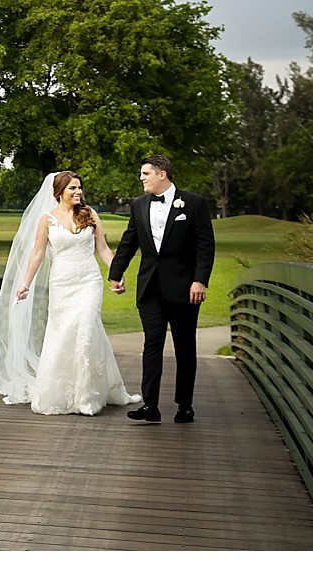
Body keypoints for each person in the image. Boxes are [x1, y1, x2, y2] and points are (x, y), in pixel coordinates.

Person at [0, 171, 138, 415]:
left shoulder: (90, 214)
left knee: (87, 329)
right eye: (72, 188)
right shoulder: (47, 220)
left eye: (79, 187)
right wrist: (25, 284)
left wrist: (117, 274)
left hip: (89, 281)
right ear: (59, 192)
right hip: (62, 283)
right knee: (63, 335)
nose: (78, 192)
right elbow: (37, 254)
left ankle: (87, 397)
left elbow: (103, 249)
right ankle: (62, 392)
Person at [107, 155, 216, 424]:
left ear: (162, 174)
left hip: (185, 289)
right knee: (152, 344)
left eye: (145, 173)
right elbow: (129, 241)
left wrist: (200, 280)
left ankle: (185, 406)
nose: (141, 178)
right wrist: (115, 274)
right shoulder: (138, 205)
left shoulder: (194, 203)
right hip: (150, 288)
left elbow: (205, 245)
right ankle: (150, 405)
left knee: (184, 347)